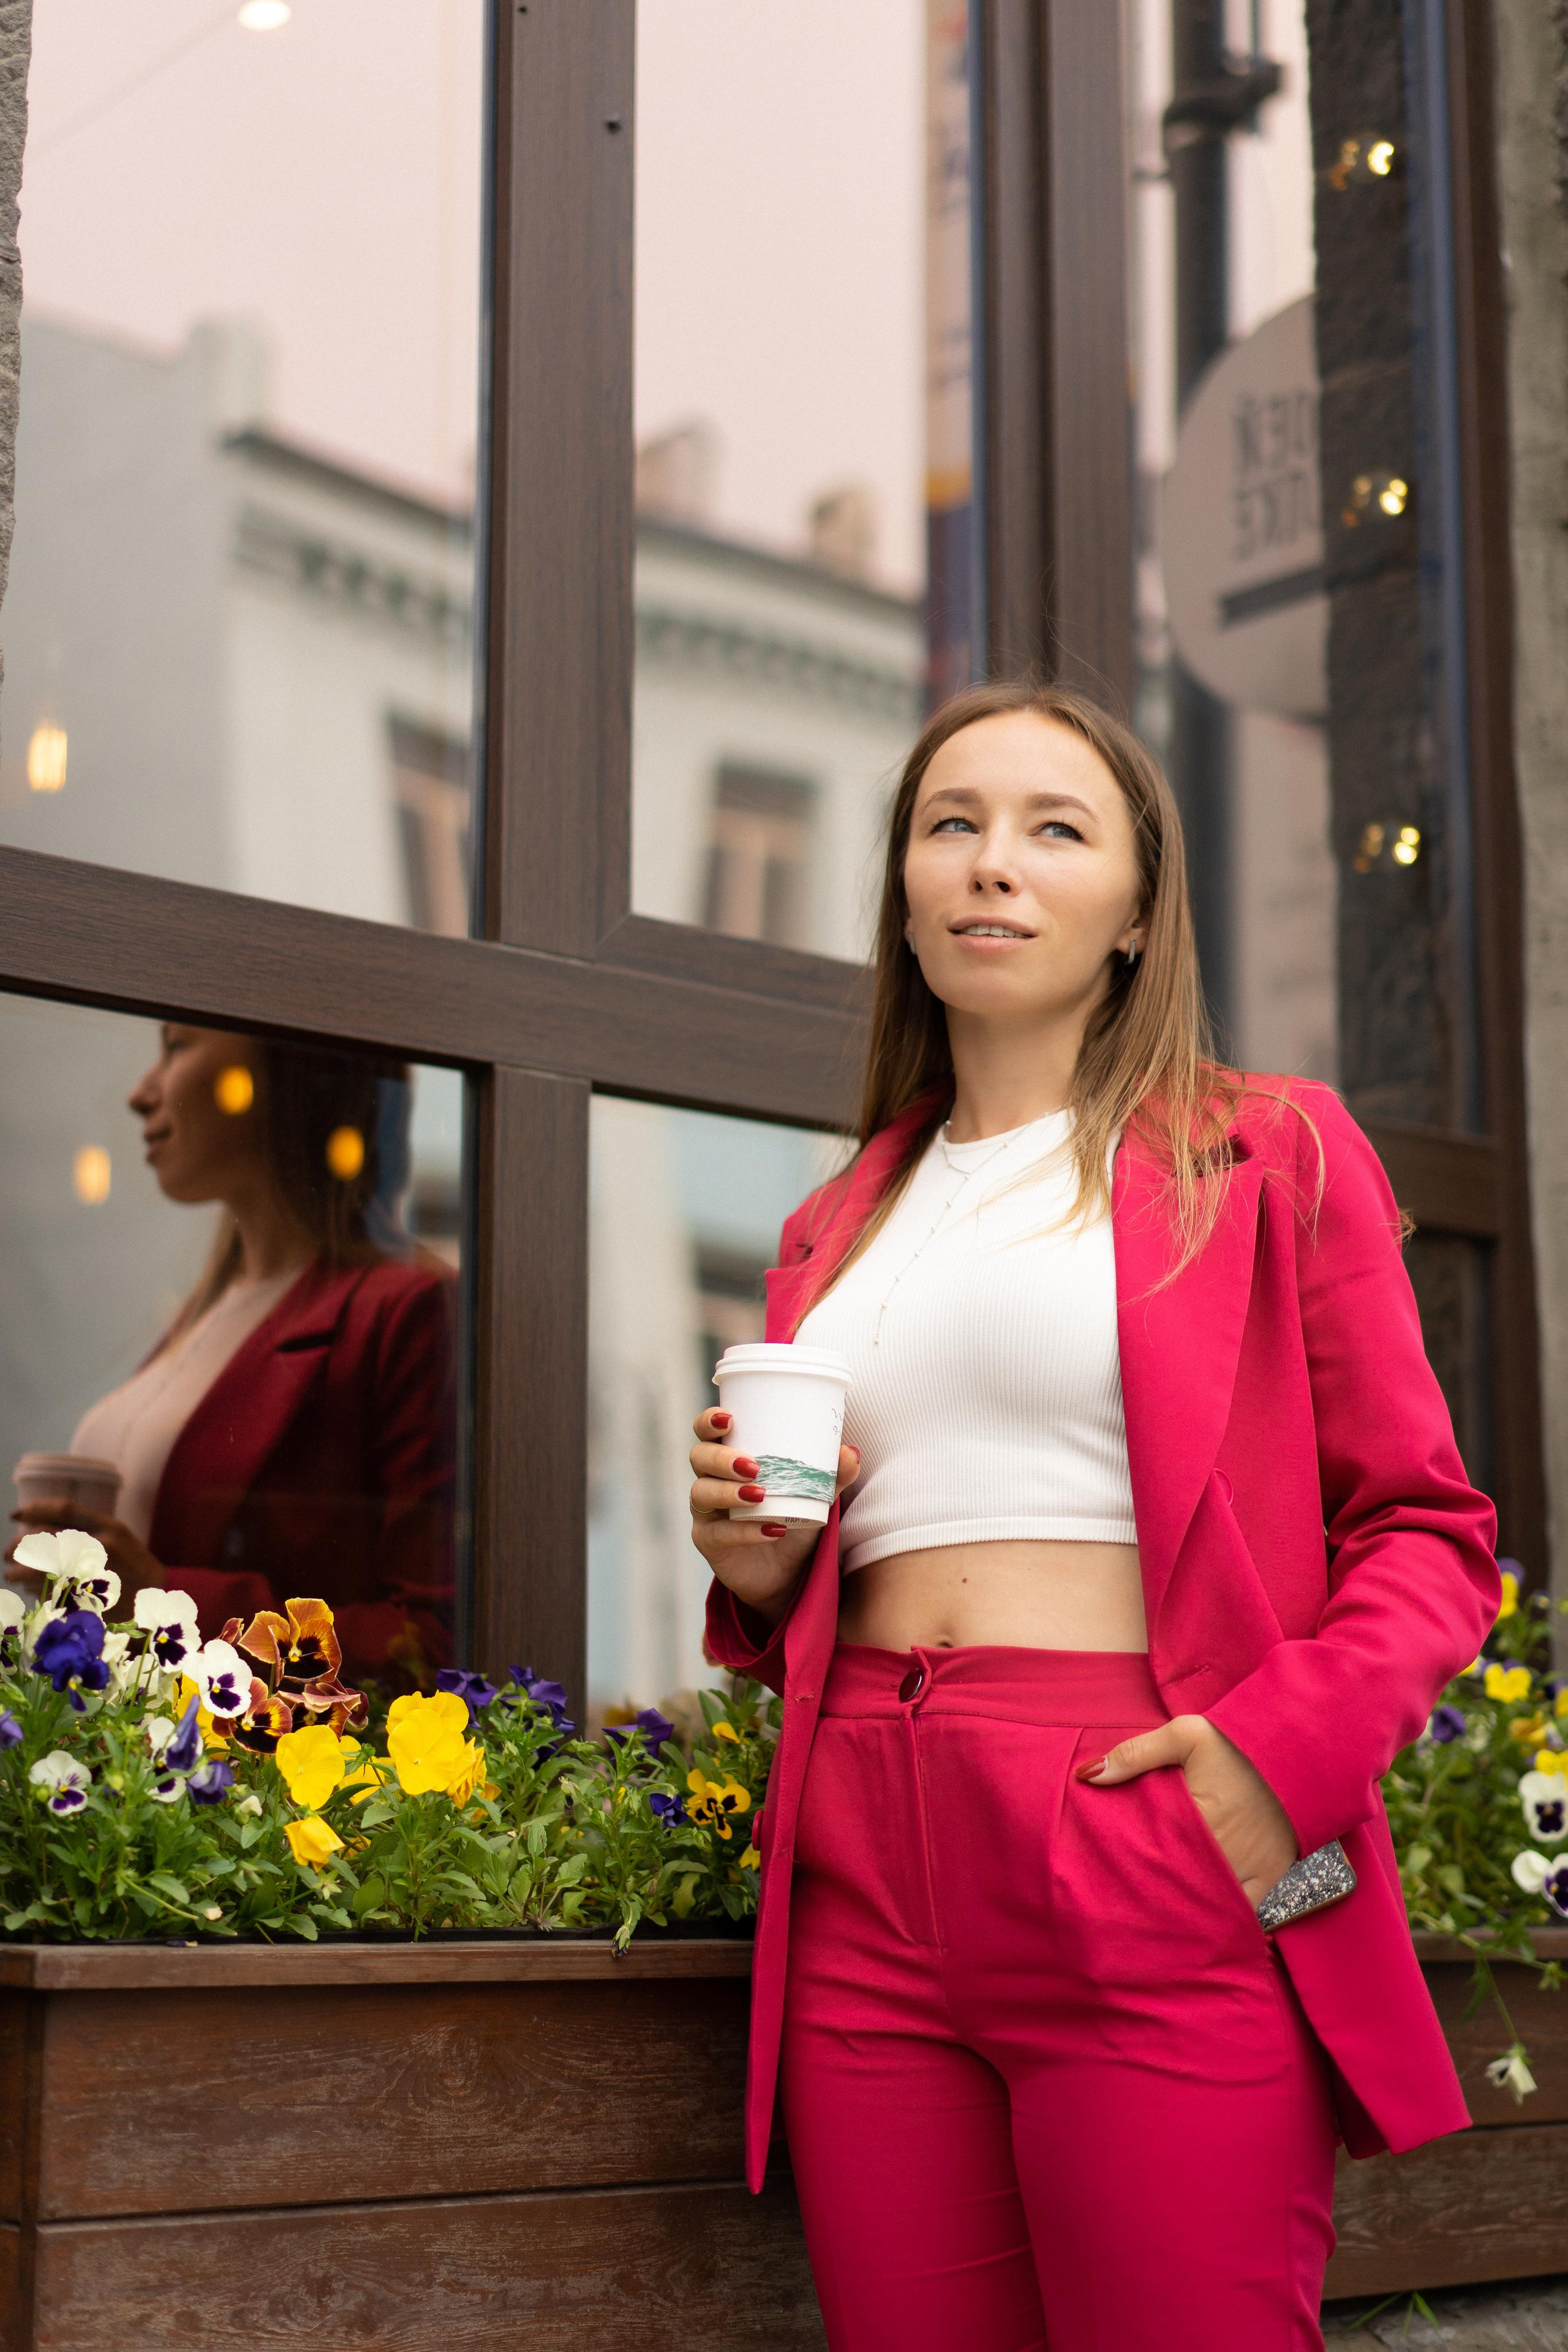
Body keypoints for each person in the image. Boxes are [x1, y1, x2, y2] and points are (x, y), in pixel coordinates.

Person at [687, 682, 1498, 2352]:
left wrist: (1272, 1769)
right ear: (906, 897)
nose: (995, 864)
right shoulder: (836, 1222)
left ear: (1137, 913)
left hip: (1134, 1804)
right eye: (950, 825)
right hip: (861, 1863)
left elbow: (1428, 1532)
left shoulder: (1267, 1151)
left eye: (1056, 830)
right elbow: (828, 1566)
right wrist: (758, 1574)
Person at [9, 1023, 455, 1687]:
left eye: (178, 1045)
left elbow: (429, 1641)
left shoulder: (403, 1308)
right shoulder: (207, 1314)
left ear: (283, 1069)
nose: (139, 1093)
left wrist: (166, 1597)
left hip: (252, 1773)